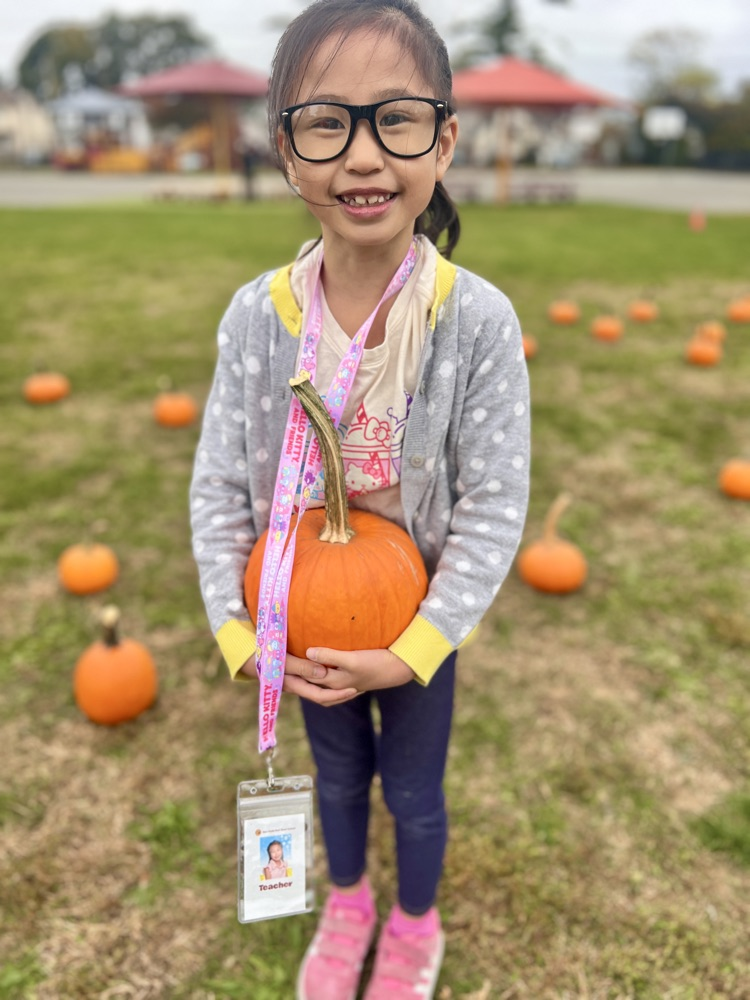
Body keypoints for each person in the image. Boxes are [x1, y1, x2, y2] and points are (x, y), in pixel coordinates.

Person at [189, 0, 530, 997]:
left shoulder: (476, 322)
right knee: (337, 779)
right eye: (327, 122)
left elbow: (497, 501)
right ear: (287, 150)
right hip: (300, 620)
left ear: (445, 140)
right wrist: (240, 631)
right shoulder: (260, 318)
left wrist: (416, 643)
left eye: (399, 118)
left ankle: (413, 924)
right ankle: (347, 903)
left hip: (411, 627)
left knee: (414, 790)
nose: (365, 155)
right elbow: (216, 480)